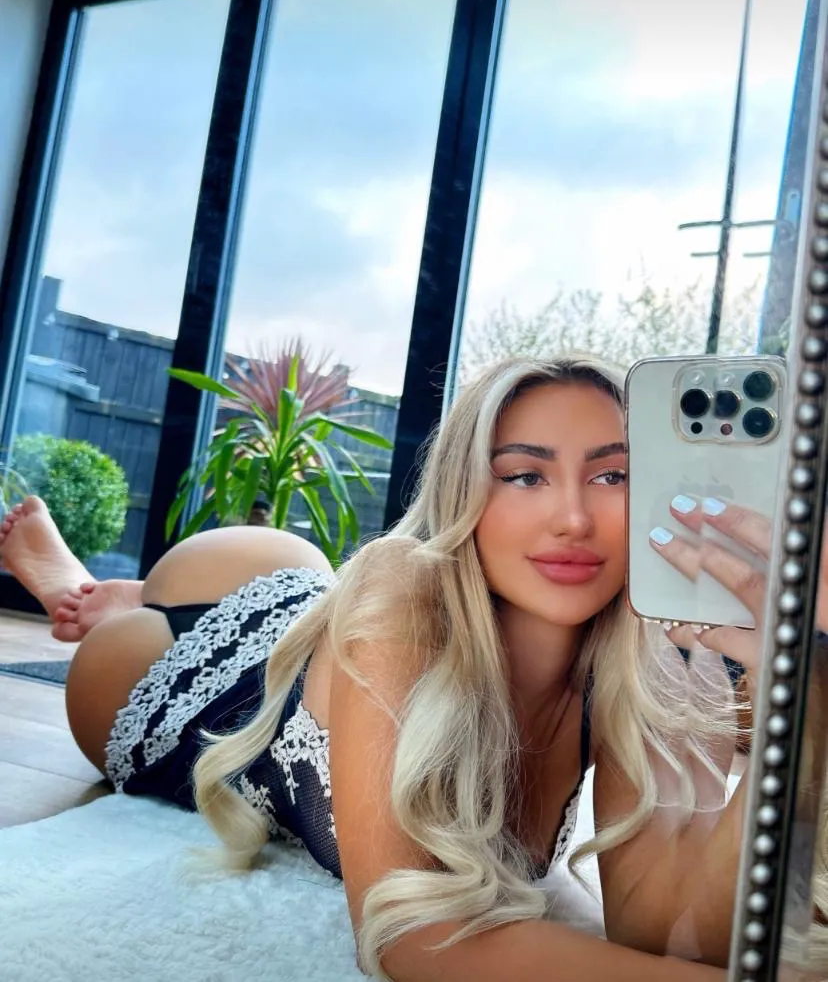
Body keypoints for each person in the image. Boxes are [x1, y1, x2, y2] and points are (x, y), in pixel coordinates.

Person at [1, 354, 759, 981]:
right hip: (193, 671)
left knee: (326, 596)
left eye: (612, 476)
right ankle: (89, 593)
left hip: (324, 622)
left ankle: (120, 593)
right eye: (524, 475)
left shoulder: (653, 657)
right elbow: (406, 936)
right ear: (464, 491)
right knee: (134, 628)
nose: (572, 519)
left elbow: (659, 928)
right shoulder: (404, 583)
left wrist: (800, 677)